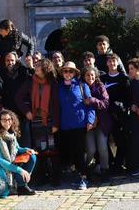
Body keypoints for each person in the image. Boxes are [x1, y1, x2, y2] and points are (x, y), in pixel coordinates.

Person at [56, 61, 95, 190]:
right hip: (65, 125)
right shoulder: (58, 87)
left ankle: (84, 178)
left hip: (79, 123)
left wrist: (90, 120)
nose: (68, 73)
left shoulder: (82, 86)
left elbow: (90, 105)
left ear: (75, 73)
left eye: (70, 71)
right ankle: (78, 175)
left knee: (80, 152)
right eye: (65, 71)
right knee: (71, 152)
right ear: (62, 73)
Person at [0, 109, 37, 197]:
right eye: (4, 120)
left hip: (12, 163)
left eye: (9, 119)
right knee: (4, 193)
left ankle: (21, 186)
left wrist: (26, 150)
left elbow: (17, 148)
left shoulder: (11, 133)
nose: (7, 122)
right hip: (0, 167)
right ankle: (10, 186)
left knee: (32, 156)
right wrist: (20, 170)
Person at [0, 52, 31, 145]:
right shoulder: (0, 73)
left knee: (25, 139)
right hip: (8, 112)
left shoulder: (23, 71)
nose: (10, 63)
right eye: (7, 61)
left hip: (22, 111)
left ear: (16, 61)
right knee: (10, 140)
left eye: (12, 60)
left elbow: (34, 79)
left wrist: (30, 66)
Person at [100, 53, 129, 173]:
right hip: (106, 115)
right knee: (104, 142)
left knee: (120, 141)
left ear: (117, 63)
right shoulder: (103, 79)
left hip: (119, 115)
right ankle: (110, 164)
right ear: (107, 63)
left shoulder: (124, 78)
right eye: (109, 61)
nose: (112, 63)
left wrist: (122, 107)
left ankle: (118, 164)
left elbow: (128, 97)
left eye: (114, 61)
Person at [81, 66, 111, 180]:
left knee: (103, 147)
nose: (90, 77)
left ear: (96, 76)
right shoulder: (80, 88)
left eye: (92, 75)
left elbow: (105, 103)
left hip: (101, 123)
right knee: (91, 150)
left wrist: (92, 100)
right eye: (87, 75)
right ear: (84, 76)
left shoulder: (100, 87)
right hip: (88, 124)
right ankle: (85, 169)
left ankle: (104, 170)